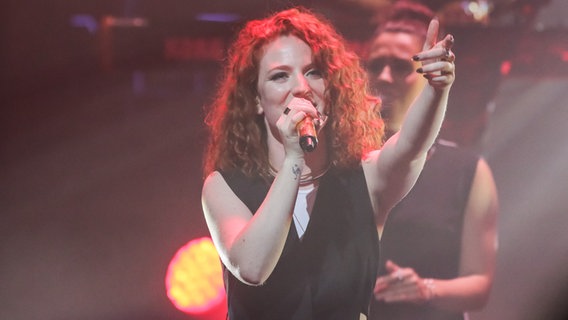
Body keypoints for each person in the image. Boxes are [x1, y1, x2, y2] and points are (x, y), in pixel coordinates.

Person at [201, 6, 455, 320]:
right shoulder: (225, 186)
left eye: (313, 72)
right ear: (255, 99)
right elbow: (252, 267)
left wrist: (436, 88)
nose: (301, 87)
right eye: (281, 76)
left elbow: (410, 147)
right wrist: (295, 158)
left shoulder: (365, 177)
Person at [365, 2, 499, 320]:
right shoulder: (344, 160)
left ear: (428, 72)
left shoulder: (466, 171)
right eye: (375, 64)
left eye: (399, 66)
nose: (383, 76)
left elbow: (480, 283)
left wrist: (426, 289)